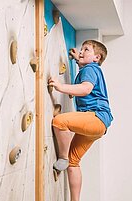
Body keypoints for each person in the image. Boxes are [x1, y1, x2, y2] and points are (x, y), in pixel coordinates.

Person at [48, 40, 113, 201]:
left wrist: (60, 87)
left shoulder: (90, 69)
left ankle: (62, 157)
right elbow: (85, 70)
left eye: (87, 50)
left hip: (95, 117)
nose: (82, 51)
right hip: (99, 125)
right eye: (81, 49)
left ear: (97, 57)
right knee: (74, 162)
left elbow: (85, 89)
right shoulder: (90, 68)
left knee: (59, 121)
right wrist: (79, 58)